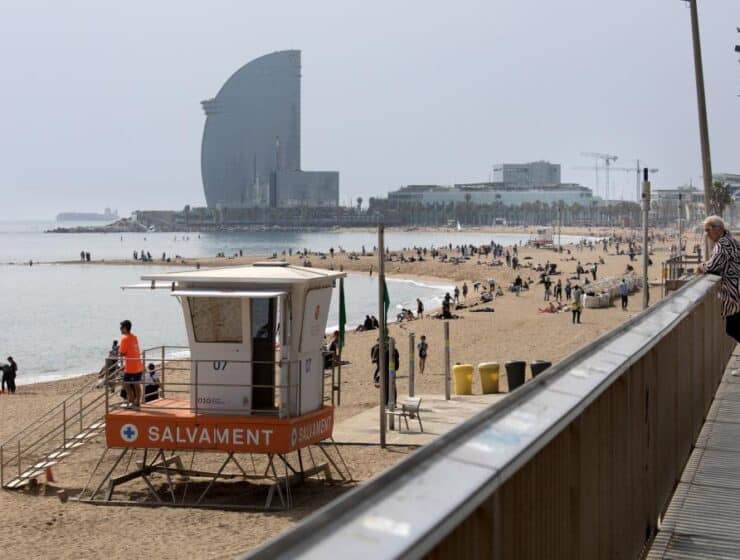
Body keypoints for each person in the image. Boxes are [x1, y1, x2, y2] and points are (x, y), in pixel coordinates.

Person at [699, 216, 740, 342]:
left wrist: (701, 267)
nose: (706, 234)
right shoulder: (730, 240)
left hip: (735, 294)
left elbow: (713, 266)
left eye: (708, 230)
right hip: (736, 293)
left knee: (733, 328)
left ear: (718, 229)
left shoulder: (723, 244)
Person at [119, 320, 144, 408]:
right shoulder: (134, 337)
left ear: (125, 328)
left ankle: (132, 400)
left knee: (126, 384)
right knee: (136, 384)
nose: (120, 329)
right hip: (138, 364)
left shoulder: (124, 339)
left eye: (121, 327)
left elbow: (121, 353)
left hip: (131, 367)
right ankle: (137, 402)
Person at [371, 338, 400, 406]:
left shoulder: (386, 351)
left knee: (387, 386)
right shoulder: (395, 350)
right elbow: (397, 363)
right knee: (392, 386)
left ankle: (387, 402)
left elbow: (382, 362)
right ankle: (393, 402)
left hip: (387, 371)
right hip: (392, 371)